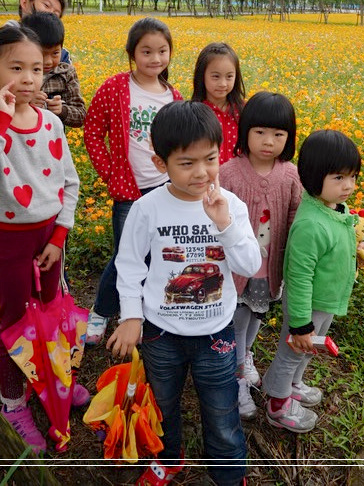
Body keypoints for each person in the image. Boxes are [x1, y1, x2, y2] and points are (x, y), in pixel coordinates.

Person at [106, 100, 261, 486]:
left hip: (216, 334)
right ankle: (167, 458)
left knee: (222, 411)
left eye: (209, 159)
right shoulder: (147, 208)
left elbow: (249, 265)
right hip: (160, 333)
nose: (201, 172)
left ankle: (229, 473)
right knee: (163, 404)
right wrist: (131, 316)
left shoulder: (232, 207)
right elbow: (128, 264)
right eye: (186, 163)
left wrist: (224, 224)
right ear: (162, 164)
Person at [0, 24, 88, 453]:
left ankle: (54, 381)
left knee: (51, 314)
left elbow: (69, 184)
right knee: (15, 324)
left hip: (51, 237)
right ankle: (14, 403)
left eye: (36, 67)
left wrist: (59, 237)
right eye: (17, 67)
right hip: (8, 240)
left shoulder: (51, 123)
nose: (30, 78)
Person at [262, 130, 364, 433]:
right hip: (307, 306)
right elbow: (298, 277)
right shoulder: (310, 224)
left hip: (325, 301)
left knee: (308, 350)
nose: (348, 185)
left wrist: (359, 247)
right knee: (294, 349)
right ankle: (277, 403)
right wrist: (299, 324)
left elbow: (345, 231)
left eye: (352, 176)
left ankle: (293, 385)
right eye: (338, 178)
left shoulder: (335, 207)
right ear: (313, 176)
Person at [84, 17, 182, 345]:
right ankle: (101, 310)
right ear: (131, 53)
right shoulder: (115, 87)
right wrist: (110, 172)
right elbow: (93, 131)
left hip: (165, 188)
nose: (155, 59)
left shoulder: (174, 97)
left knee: (156, 253)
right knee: (125, 255)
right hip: (129, 188)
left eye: (162, 51)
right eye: (146, 52)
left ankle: (139, 310)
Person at [220, 92, 302, 420]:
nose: (268, 141)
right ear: (245, 132)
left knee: (256, 315)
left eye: (278, 135)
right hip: (237, 268)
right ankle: (237, 379)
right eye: (260, 132)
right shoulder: (228, 173)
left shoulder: (290, 175)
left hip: (270, 268)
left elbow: (296, 218)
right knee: (238, 322)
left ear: (289, 137)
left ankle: (246, 356)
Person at [20, 11, 86, 128]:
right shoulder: (17, 73)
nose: (49, 61)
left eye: (55, 53)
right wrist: (26, 103)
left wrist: (62, 110)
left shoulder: (66, 73)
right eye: (42, 54)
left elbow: (81, 115)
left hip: (53, 140)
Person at [191, 42, 245, 164]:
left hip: (239, 178)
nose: (223, 84)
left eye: (229, 76)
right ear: (202, 76)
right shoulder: (194, 113)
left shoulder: (244, 110)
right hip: (207, 178)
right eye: (216, 76)